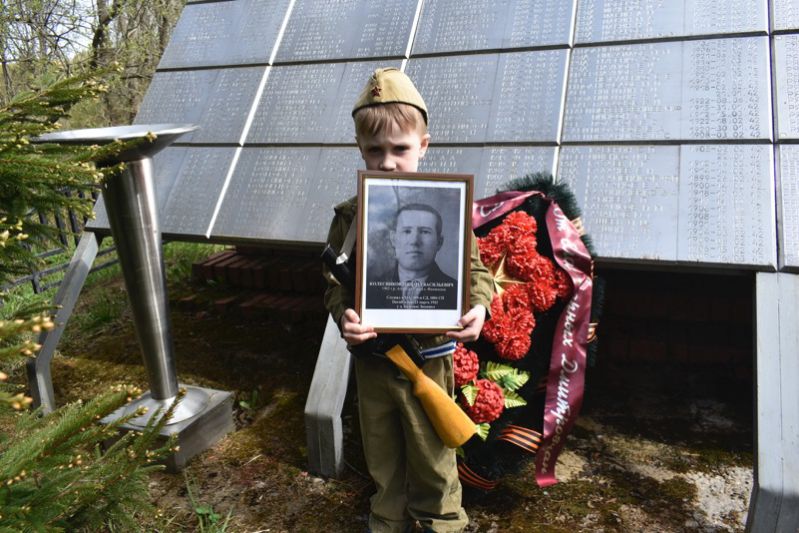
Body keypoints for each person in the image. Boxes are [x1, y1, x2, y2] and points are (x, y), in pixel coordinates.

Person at [323, 67, 494, 533]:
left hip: (429, 359)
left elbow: (476, 272)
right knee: (381, 455)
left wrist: (478, 308)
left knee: (433, 456)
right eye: (374, 150)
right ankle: (387, 521)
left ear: (423, 145)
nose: (387, 162)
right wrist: (345, 316)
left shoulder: (448, 207)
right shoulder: (350, 217)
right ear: (360, 149)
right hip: (374, 361)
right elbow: (334, 284)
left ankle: (442, 523)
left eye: (400, 148)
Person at [366, 202, 458, 310]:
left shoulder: (455, 292)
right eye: (407, 231)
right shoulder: (370, 289)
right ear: (393, 239)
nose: (414, 241)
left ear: (439, 242)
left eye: (425, 232)